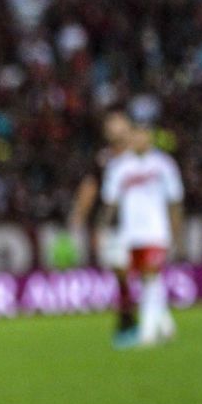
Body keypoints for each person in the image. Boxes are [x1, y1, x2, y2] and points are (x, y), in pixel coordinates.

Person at [100, 122, 185, 349]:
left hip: (156, 232)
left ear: (150, 138)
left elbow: (175, 202)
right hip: (130, 234)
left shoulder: (164, 165)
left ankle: (147, 335)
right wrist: (103, 230)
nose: (139, 140)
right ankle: (166, 325)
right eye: (135, 136)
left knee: (150, 278)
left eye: (143, 135)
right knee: (145, 280)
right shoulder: (119, 167)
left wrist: (177, 234)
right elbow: (110, 202)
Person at [69, 112, 137, 346]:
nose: (114, 129)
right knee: (121, 273)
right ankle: (128, 319)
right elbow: (90, 187)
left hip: (142, 223)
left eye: (119, 124)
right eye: (111, 125)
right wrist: (80, 215)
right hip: (114, 225)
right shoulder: (103, 159)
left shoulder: (141, 157)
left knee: (145, 272)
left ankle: (149, 320)